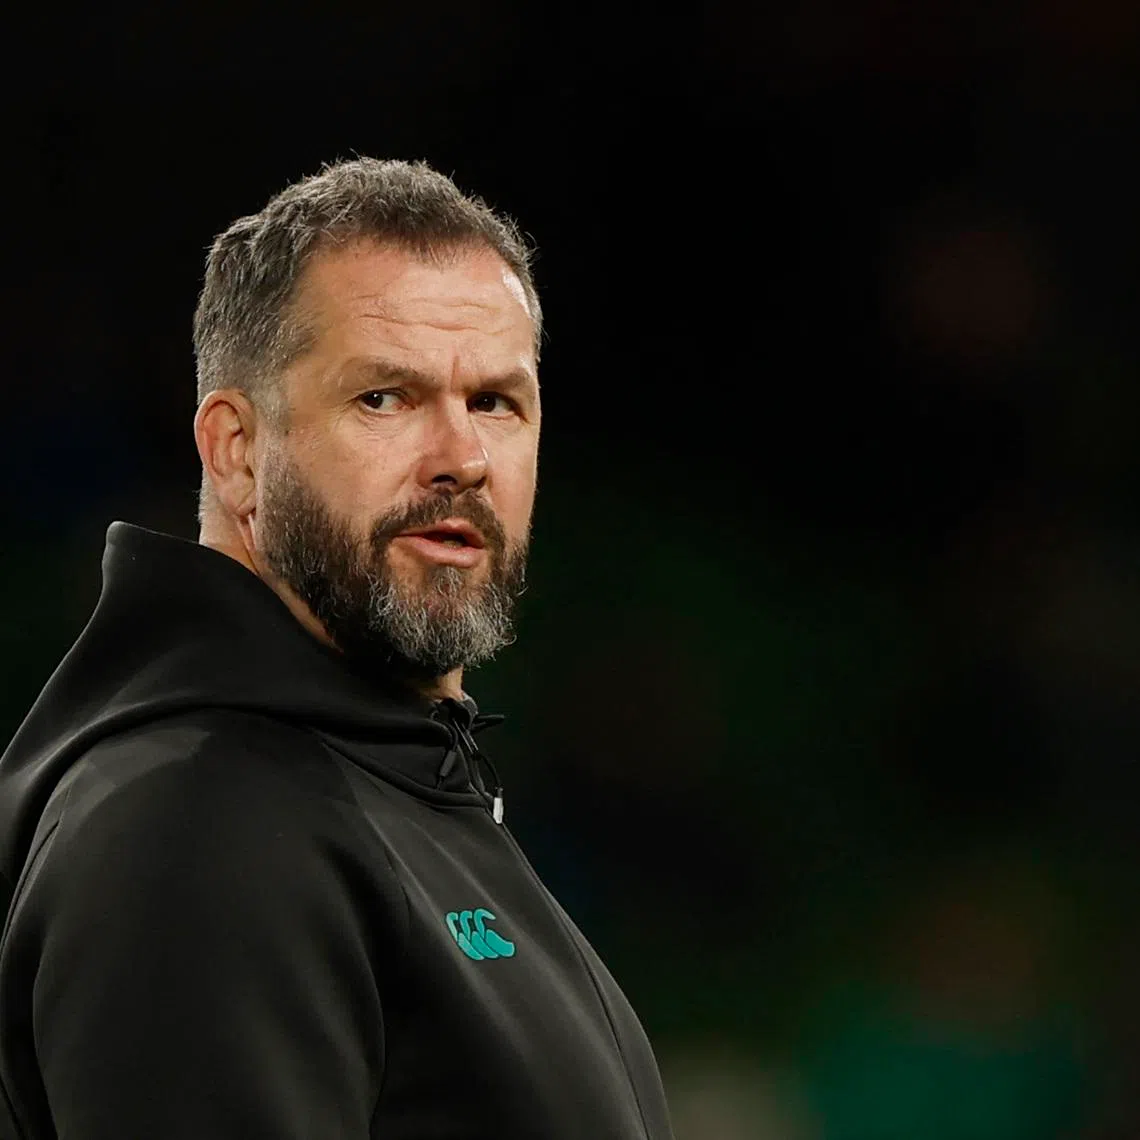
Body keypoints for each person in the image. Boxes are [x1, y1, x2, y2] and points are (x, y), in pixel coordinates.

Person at [0, 158, 675, 1139]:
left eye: (495, 401)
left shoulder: (378, 780)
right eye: (384, 399)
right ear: (237, 450)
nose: (462, 459)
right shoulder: (206, 823)